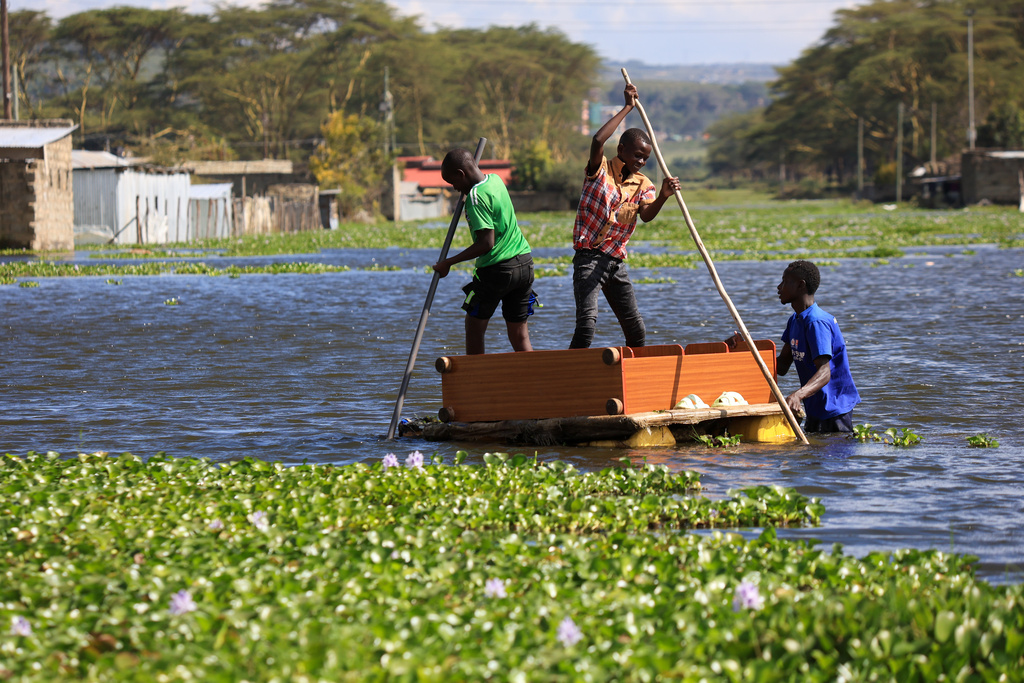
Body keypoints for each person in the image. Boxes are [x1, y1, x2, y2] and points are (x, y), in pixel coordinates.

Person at [569, 83, 681, 349]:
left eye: (645, 158)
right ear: (621, 150)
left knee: (636, 330)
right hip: (588, 259)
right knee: (587, 325)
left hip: (615, 262)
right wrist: (628, 107)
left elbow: (646, 216)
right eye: (636, 155)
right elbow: (597, 140)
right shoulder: (600, 170)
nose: (641, 162)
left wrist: (664, 196)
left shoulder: (644, 185)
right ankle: (569, 376)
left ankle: (634, 377)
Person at [730, 260, 860, 433]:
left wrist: (797, 395)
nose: (779, 287)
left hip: (833, 408)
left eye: (785, 282)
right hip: (815, 405)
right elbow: (782, 366)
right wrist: (744, 350)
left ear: (800, 285)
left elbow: (824, 373)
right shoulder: (795, 320)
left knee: (830, 455)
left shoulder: (816, 322)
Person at [433, 148, 536, 355]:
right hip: (524, 264)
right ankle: (535, 381)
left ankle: (475, 379)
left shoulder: (476, 198)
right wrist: (467, 191)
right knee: (519, 333)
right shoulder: (495, 180)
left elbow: (486, 243)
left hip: (497, 271)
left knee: (474, 328)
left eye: (453, 182)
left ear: (461, 174)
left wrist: (449, 263)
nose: (454, 188)